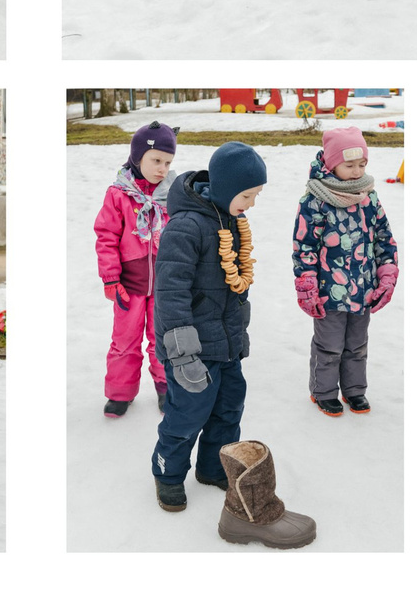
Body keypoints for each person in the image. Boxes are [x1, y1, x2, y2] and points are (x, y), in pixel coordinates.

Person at [152, 141, 298, 534]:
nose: (251, 203)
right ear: (224, 187)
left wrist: (238, 328)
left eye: (255, 196)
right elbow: (170, 292)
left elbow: (232, 283)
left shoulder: (228, 219)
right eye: (246, 195)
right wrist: (181, 353)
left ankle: (213, 468)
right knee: (187, 414)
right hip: (192, 349)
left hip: (225, 342)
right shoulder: (185, 228)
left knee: (229, 407)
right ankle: (168, 474)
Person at [294, 128, 397, 418]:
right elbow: (304, 246)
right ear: (331, 164)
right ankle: (323, 392)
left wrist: (386, 276)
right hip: (328, 293)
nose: (357, 172)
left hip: (363, 289)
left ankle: (354, 390)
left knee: (357, 345)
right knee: (329, 346)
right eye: (349, 165)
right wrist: (307, 285)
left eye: (362, 164)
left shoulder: (369, 198)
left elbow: (384, 239)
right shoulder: (315, 201)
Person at [96, 123, 176, 417]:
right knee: (125, 341)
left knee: (164, 339)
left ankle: (166, 387)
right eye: (156, 160)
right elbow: (106, 237)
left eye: (168, 162)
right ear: (137, 157)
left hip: (165, 284)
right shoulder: (119, 194)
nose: (162, 169)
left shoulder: (173, 194)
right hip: (128, 285)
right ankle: (120, 393)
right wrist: (110, 278)